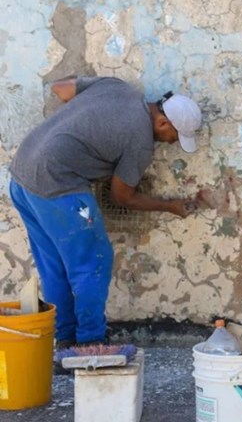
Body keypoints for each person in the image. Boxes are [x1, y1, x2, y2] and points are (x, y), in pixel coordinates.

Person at [8, 76, 204, 348]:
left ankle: (64, 340)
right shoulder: (140, 143)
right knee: (93, 262)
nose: (171, 144)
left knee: (55, 266)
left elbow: (62, 89)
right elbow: (122, 196)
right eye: (174, 138)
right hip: (58, 184)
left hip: (21, 176)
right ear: (162, 123)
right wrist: (170, 205)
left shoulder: (117, 87)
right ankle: (90, 343)